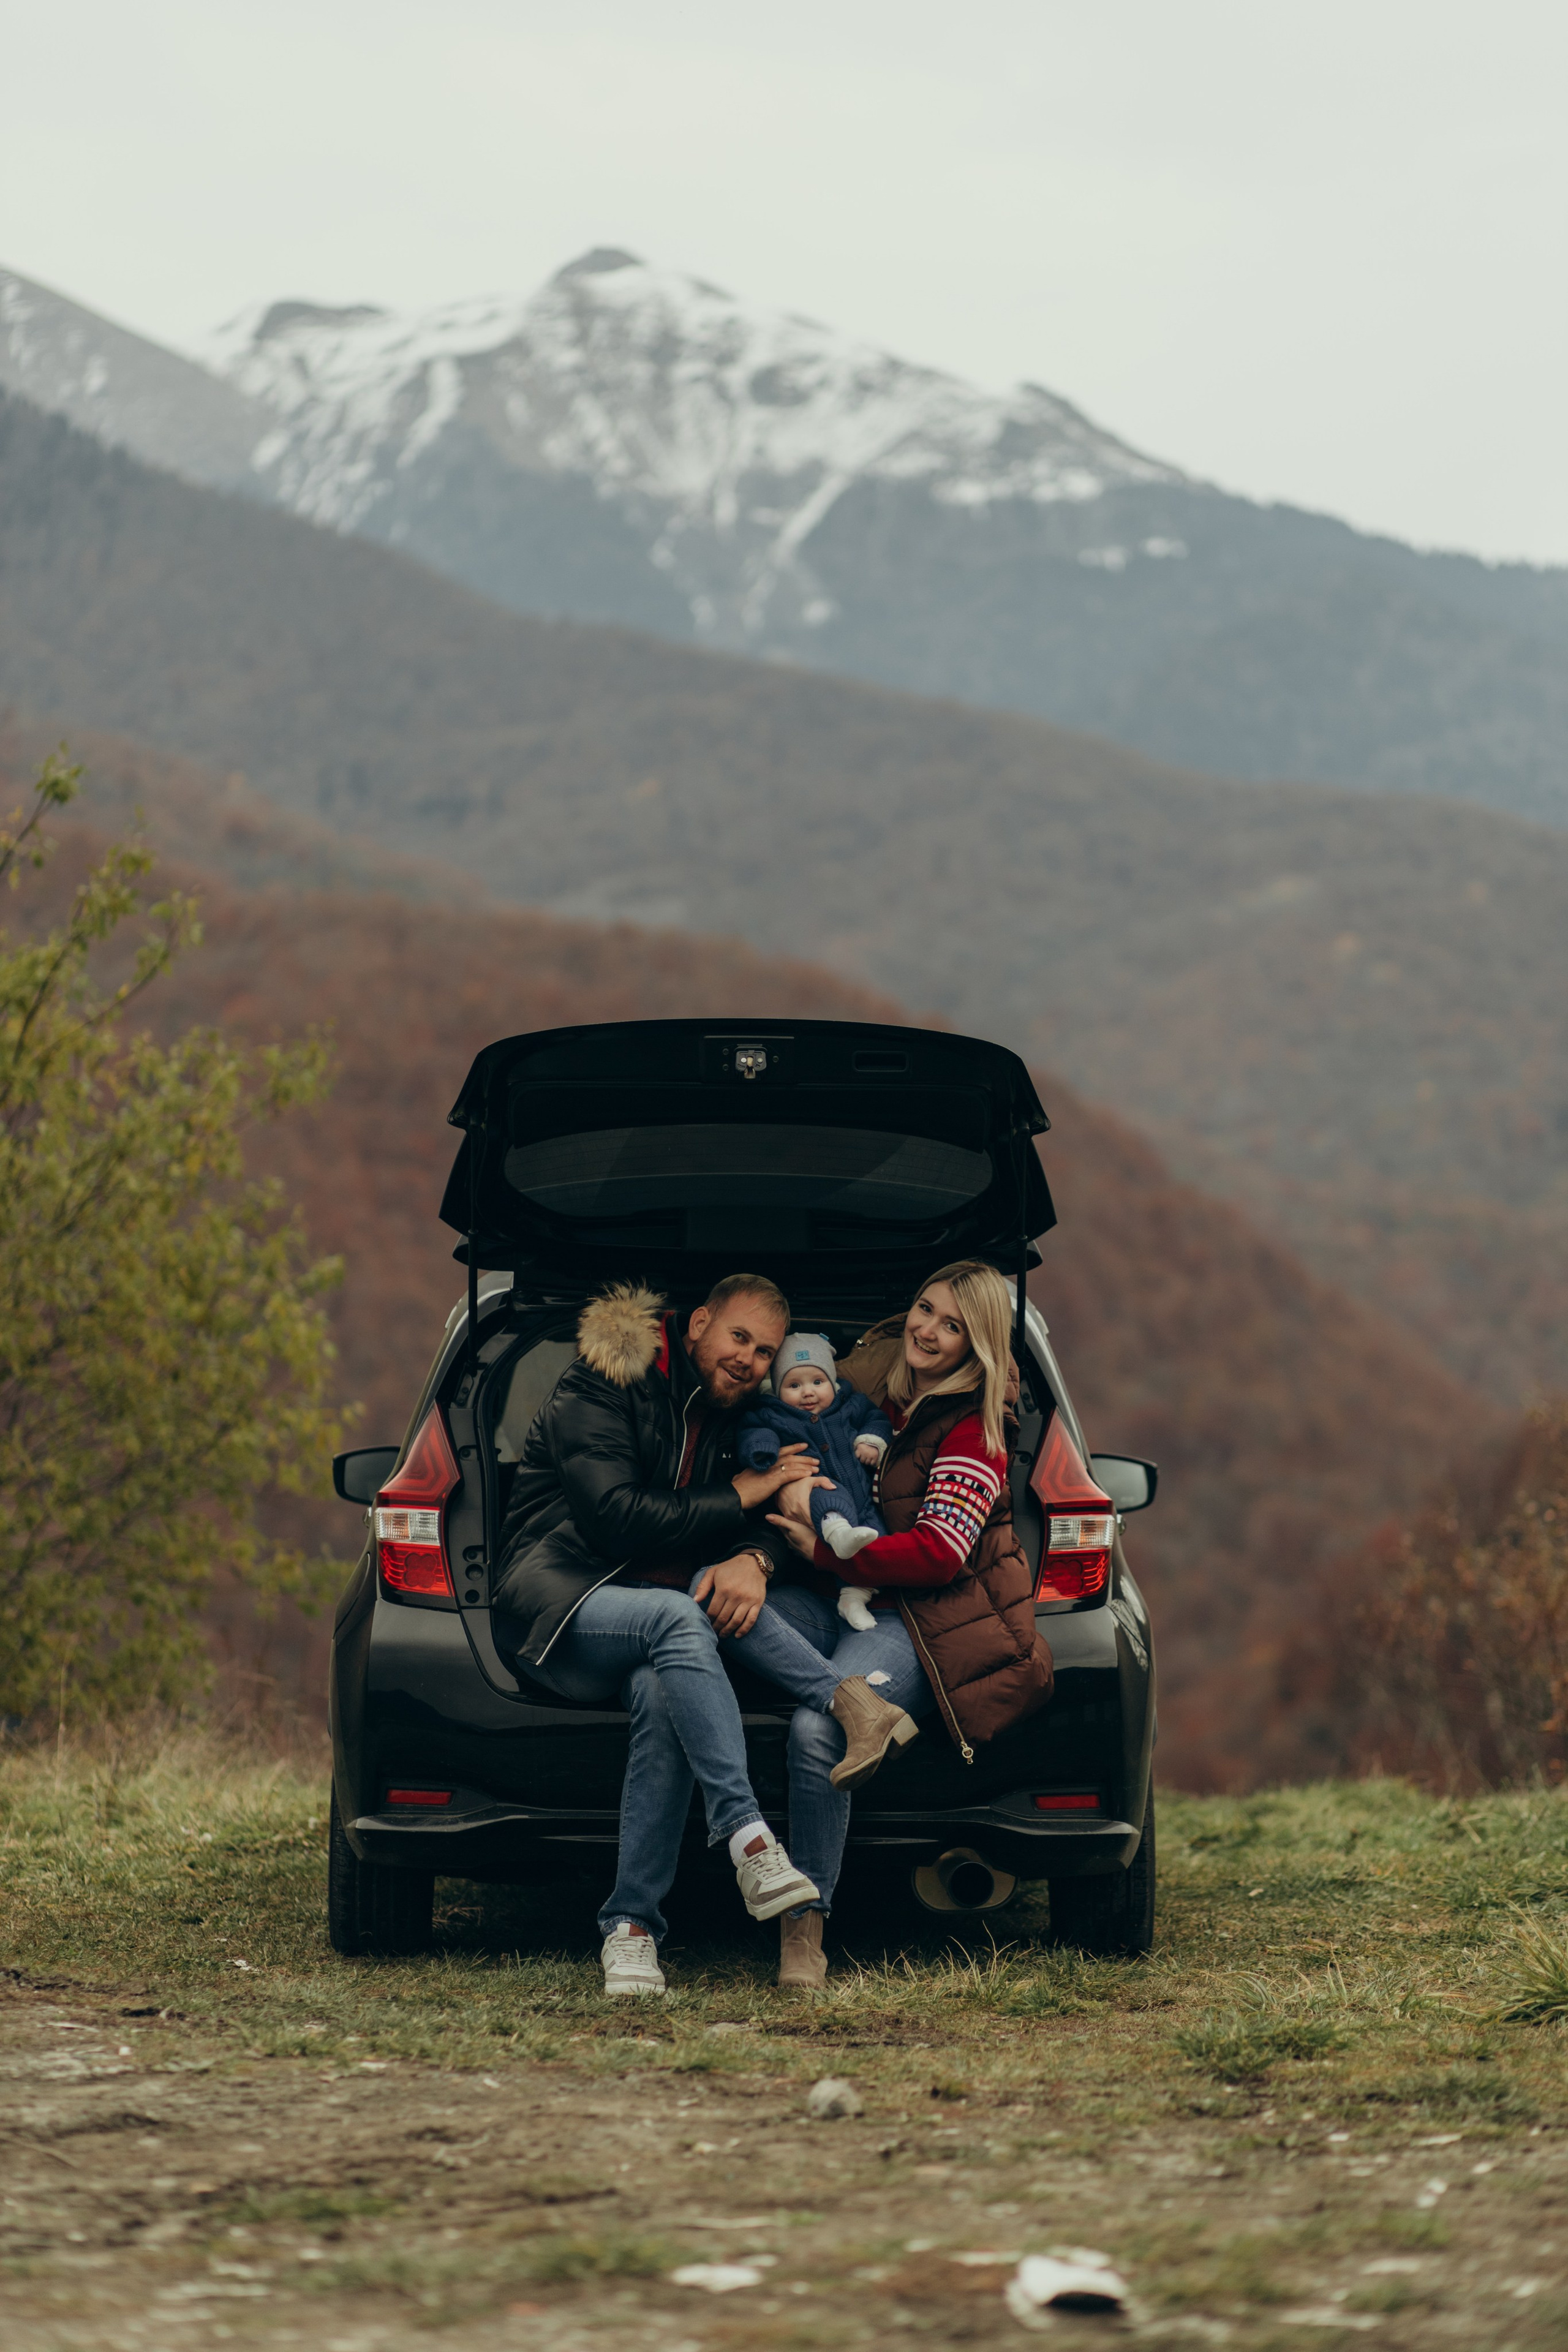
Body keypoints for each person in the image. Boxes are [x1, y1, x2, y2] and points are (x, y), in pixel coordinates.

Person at [716, 1259, 1055, 1989]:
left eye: (953, 1325)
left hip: (917, 1618)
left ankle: (804, 1927)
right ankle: (852, 1699)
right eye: (925, 1310)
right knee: (708, 1598)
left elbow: (936, 1554)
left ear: (978, 1344)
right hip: (839, 1597)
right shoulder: (890, 1402)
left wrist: (828, 1557)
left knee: (816, 1734)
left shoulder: (973, 1430)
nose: (928, 1330)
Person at [490, 1273, 826, 1999]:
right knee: (679, 1618)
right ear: (698, 1323)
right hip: (559, 1602)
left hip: (650, 1631)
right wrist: (740, 1492)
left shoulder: (741, 1414)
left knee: (659, 1687)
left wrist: (754, 1557)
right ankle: (749, 1837)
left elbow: (776, 1520)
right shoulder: (605, 1382)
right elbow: (618, 1517)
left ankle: (631, 1930)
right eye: (739, 1337)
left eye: (767, 1351)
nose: (751, 1360)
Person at [736, 1330, 892, 1624]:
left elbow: (877, 1418)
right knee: (826, 1495)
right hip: (815, 1485)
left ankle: (854, 1599)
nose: (808, 1392)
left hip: (863, 1499)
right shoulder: (772, 1413)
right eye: (794, 1385)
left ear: (832, 1382)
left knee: (878, 1536)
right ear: (777, 1388)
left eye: (818, 1382)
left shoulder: (850, 1405)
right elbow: (753, 1431)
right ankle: (838, 1534)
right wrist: (762, 1450)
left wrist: (872, 1440)